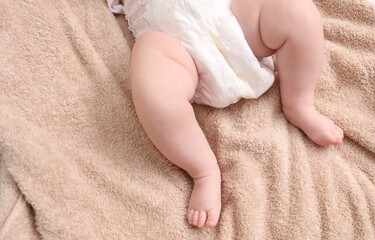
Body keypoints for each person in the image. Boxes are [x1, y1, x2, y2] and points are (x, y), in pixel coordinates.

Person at [106, 0, 344, 229]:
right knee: (152, 80)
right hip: (176, 49)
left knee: (295, 10)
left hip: (234, 21)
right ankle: (204, 171)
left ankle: (299, 103)